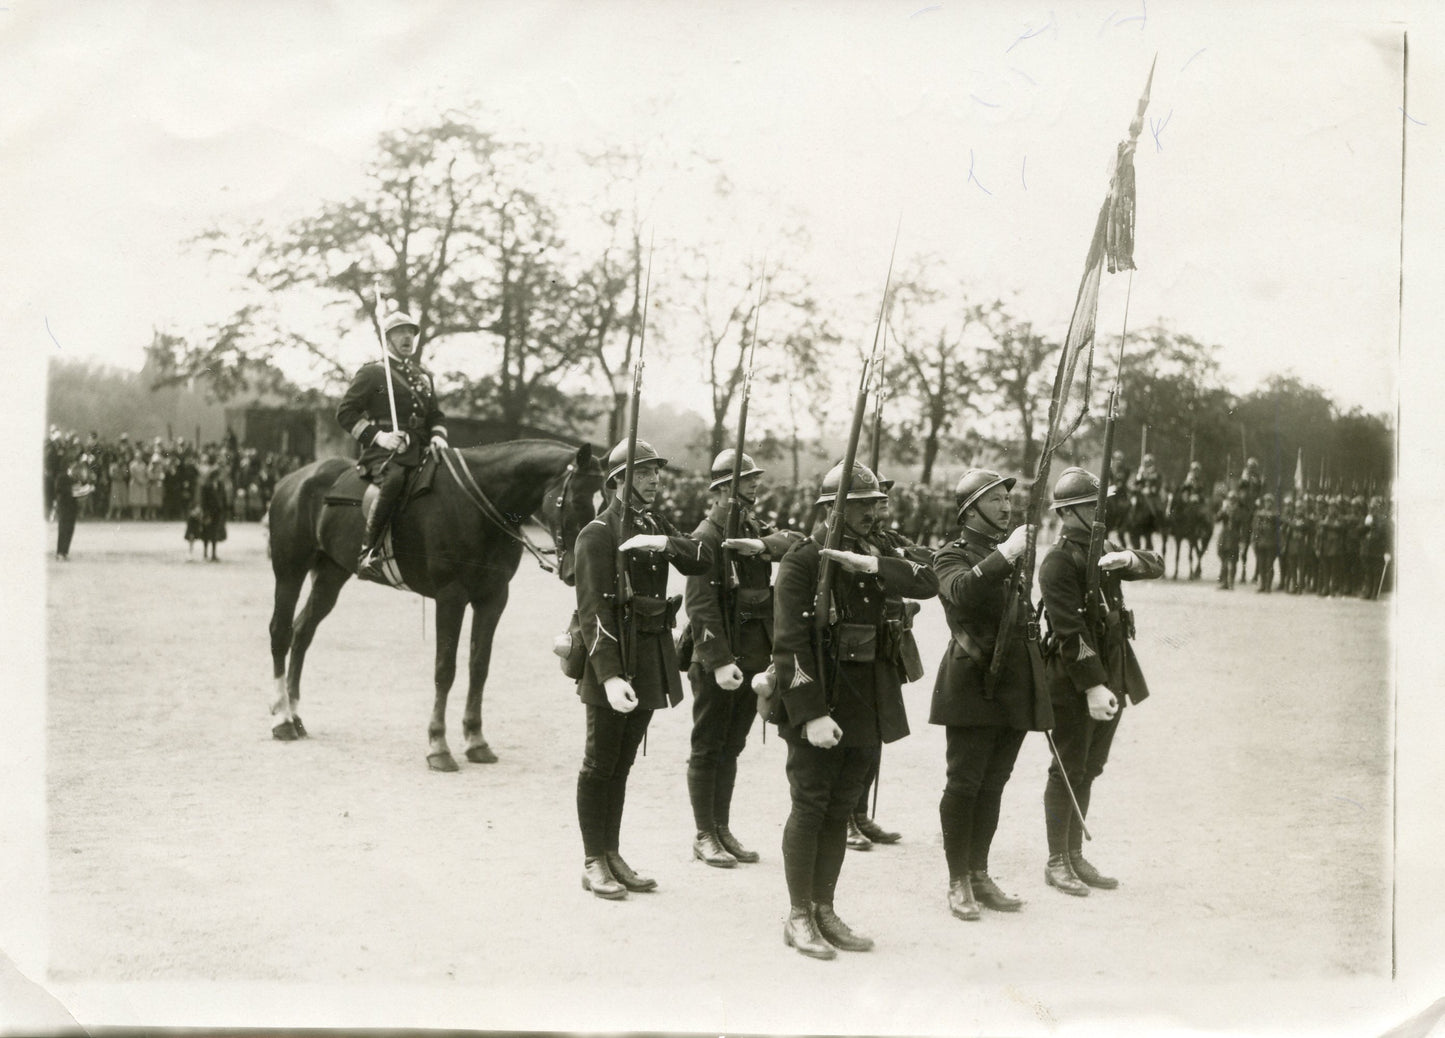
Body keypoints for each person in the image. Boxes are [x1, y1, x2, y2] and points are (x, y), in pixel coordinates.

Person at [768, 460, 939, 958]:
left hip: (869, 697)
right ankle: (799, 914)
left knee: (842, 805)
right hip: (821, 700)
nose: (874, 513)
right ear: (831, 508)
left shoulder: (877, 547)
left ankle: (825, 908)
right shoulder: (804, 560)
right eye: (862, 505)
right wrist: (812, 711)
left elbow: (929, 580)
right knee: (811, 804)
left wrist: (873, 565)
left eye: (874, 504)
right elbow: (790, 643)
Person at [572, 439, 712, 900]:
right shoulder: (597, 533)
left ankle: (612, 854)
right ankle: (594, 859)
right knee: (599, 763)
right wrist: (610, 676)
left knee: (623, 762)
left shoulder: (652, 524)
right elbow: (593, 611)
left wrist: (662, 540)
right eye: (645, 472)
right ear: (618, 481)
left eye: (656, 472)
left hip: (649, 656)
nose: (655, 479)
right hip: (610, 662)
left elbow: (701, 557)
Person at [1038, 466, 1162, 896]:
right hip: (1077, 679)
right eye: (1095, 505)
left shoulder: (1103, 549)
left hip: (1113, 672)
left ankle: (1075, 855)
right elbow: (1069, 632)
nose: (1103, 511)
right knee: (1069, 769)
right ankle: (1058, 859)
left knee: (1090, 768)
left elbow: (1156, 564)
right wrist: (1093, 685)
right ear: (1070, 514)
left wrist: (1128, 559)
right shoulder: (1058, 561)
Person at [683, 450, 802, 868]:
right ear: (720, 491)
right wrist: (717, 661)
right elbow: (699, 606)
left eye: (753, 479)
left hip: (752, 654)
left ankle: (721, 827)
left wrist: (761, 545)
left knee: (732, 745)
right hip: (720, 658)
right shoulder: (706, 536)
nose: (754, 484)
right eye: (744, 480)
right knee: (708, 745)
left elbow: (795, 542)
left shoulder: (751, 527)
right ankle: (704, 833)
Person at [929, 469, 1036, 921]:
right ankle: (957, 879)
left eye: (1008, 500)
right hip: (971, 680)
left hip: (1010, 680)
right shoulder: (951, 555)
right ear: (970, 510)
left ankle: (979, 872)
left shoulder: (1006, 551)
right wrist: (1006, 556)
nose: (1006, 507)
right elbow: (962, 593)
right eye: (995, 500)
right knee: (965, 782)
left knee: (994, 782)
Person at [847, 473, 933, 851]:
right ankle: (846, 816)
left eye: (883, 500)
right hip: (857, 648)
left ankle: (860, 813)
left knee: (875, 735)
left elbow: (923, 563)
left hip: (885, 647)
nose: (881, 507)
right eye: (872, 501)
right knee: (853, 737)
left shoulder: (885, 541)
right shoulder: (847, 541)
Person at [335, 311, 448, 579]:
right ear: (388, 339)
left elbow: (436, 416)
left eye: (411, 332)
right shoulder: (373, 373)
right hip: (383, 452)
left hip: (420, 448)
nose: (408, 337)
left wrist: (437, 435)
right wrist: (380, 436)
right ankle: (369, 551)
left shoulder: (424, 377)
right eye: (400, 332)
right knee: (395, 479)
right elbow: (345, 412)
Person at [52, 446, 79, 560]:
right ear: (68, 465)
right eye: (72, 464)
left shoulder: (73, 477)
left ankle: (65, 552)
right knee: (63, 529)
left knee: (70, 529)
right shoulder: (62, 477)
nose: (74, 466)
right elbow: (59, 490)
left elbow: (77, 491)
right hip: (64, 506)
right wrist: (74, 489)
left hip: (72, 507)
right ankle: (60, 552)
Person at [1251, 493, 1281, 593]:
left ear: (1272, 503)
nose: (1267, 504)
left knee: (1269, 565)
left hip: (1271, 543)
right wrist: (1255, 541)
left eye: (1269, 502)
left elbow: (1275, 523)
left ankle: (1268, 586)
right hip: (1261, 543)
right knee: (1261, 565)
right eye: (1266, 502)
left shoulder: (1274, 514)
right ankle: (1263, 584)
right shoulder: (1260, 513)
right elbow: (1255, 528)